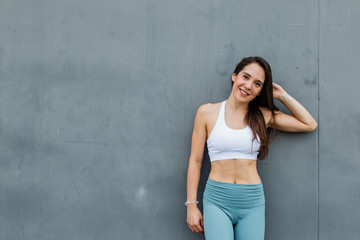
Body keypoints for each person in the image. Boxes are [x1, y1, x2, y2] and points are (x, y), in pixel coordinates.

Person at [185, 56, 318, 240]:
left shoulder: (263, 116)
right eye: (245, 77)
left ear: (261, 91)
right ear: (234, 76)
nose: (248, 86)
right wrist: (191, 205)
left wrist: (281, 95)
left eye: (257, 84)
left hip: (251, 201)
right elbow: (195, 160)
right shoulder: (207, 112)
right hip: (217, 200)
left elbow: (309, 124)